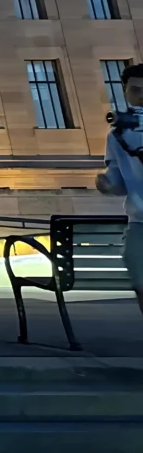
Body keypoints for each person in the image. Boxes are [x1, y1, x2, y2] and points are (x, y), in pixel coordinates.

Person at [95, 62, 143, 312]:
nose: (142, 97)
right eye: (136, 90)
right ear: (125, 91)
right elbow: (118, 180)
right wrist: (107, 183)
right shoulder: (118, 135)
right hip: (140, 222)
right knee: (141, 281)